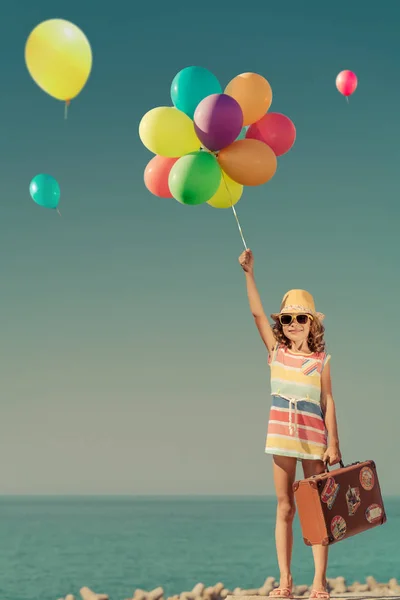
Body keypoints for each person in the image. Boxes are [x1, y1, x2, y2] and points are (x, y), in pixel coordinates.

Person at [238, 248, 341, 600]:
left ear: (313, 323)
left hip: (314, 440)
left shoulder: (321, 361)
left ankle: (319, 583)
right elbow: (255, 313)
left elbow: (327, 401)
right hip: (281, 437)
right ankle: (285, 581)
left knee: (316, 509)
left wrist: (334, 444)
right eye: (286, 319)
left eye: (301, 318)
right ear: (279, 325)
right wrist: (249, 273)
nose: (293, 325)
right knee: (285, 506)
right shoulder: (275, 354)